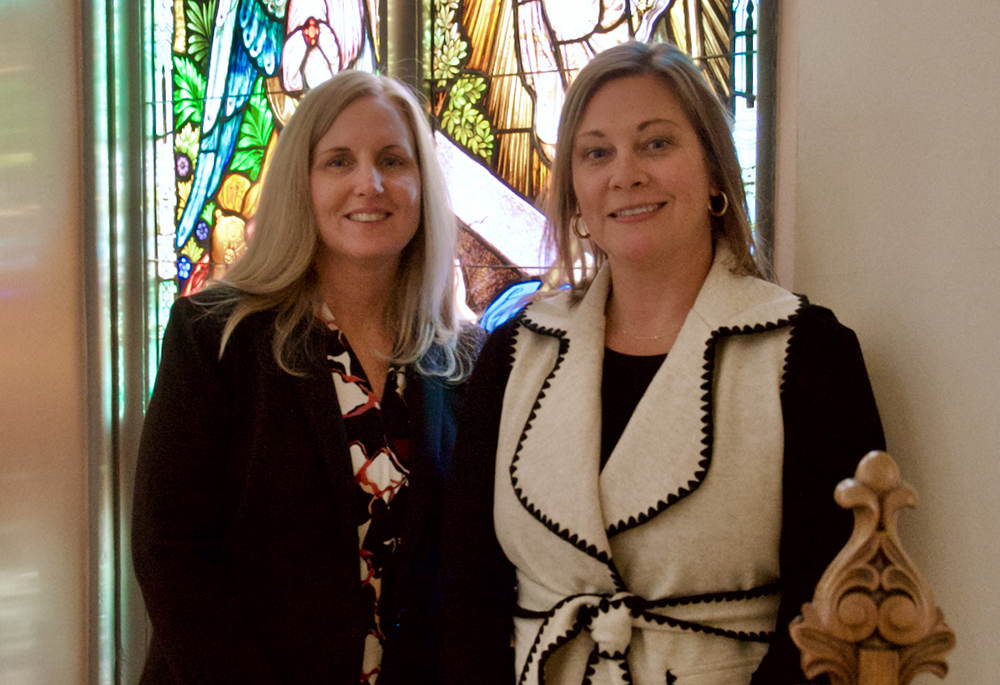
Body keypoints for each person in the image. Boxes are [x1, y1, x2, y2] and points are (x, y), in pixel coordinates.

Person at [439, 41, 885, 685]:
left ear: (713, 173)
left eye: (656, 144)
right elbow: (466, 598)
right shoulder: (512, 355)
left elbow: (833, 617)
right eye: (597, 153)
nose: (625, 174)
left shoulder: (809, 356)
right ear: (575, 193)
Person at [132, 70, 479, 685]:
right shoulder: (216, 335)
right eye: (338, 161)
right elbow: (171, 552)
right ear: (301, 183)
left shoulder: (461, 358)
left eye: (393, 160)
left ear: (423, 184)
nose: (368, 184)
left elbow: (472, 571)